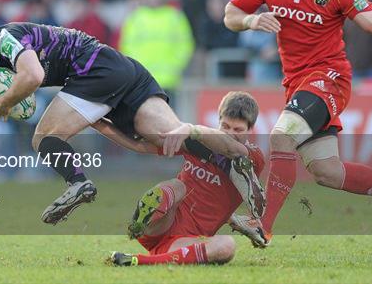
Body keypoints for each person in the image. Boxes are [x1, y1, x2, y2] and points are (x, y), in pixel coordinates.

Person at [0, 10, 263, 225]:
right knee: (166, 137)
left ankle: (78, 183)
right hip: (122, 70)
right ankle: (233, 159)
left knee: (43, 138)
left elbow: (33, 76)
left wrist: (6, 103)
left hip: (93, 69)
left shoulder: (5, 39)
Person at [223, 0, 372, 247]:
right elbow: (229, 14)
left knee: (281, 136)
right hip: (297, 83)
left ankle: (262, 225)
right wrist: (251, 20)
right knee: (327, 172)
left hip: (329, 78)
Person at [101, 91, 265, 266]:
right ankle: (140, 222)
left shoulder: (253, 158)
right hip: (161, 224)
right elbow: (140, 146)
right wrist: (98, 124)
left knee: (226, 246)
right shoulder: (199, 143)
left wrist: (191, 129)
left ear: (250, 129)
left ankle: (136, 260)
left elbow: (232, 150)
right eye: (225, 126)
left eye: (238, 129)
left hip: (185, 242)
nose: (230, 133)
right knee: (178, 185)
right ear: (218, 122)